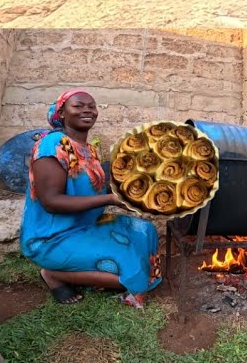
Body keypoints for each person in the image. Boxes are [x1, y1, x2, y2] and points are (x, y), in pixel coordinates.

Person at [21, 90, 162, 307]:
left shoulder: (89, 150)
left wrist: (133, 193)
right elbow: (51, 202)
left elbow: (95, 187)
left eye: (91, 106)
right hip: (53, 236)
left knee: (144, 230)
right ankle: (53, 274)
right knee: (130, 264)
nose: (87, 110)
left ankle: (94, 271)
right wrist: (110, 200)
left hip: (87, 225)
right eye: (78, 106)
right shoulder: (53, 145)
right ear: (62, 113)